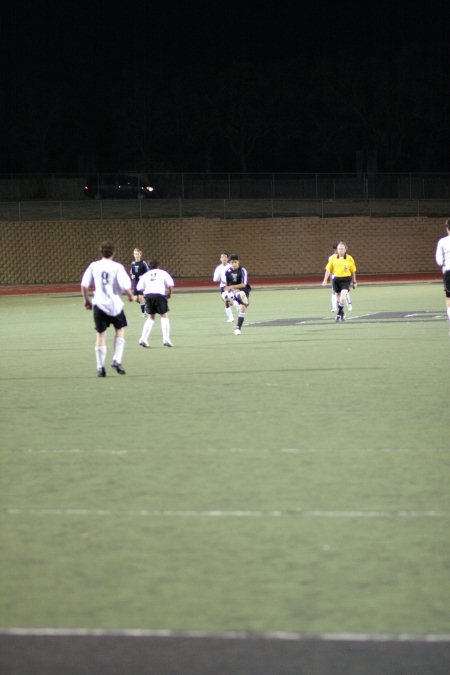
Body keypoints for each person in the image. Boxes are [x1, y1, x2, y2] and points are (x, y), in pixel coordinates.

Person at [81, 241, 134, 377]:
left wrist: (86, 300)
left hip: (99, 304)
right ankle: (116, 360)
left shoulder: (94, 266)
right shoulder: (117, 267)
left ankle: (100, 367)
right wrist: (130, 296)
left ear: (101, 252)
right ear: (113, 252)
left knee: (100, 334)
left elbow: (84, 284)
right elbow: (125, 285)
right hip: (115, 305)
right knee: (120, 330)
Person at [136, 259, 175, 347]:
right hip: (159, 295)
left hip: (148, 296)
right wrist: (169, 293)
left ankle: (143, 338)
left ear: (149, 267)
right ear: (158, 266)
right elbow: (170, 284)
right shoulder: (162, 273)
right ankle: (166, 339)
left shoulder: (145, 275)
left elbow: (139, 287)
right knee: (164, 316)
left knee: (151, 317)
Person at [322, 241, 357, 322]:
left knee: (342, 297)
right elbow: (328, 270)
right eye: (339, 249)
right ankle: (342, 314)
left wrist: (354, 281)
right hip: (336, 279)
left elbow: (353, 270)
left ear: (345, 249)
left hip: (346, 279)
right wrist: (325, 280)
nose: (340, 250)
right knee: (338, 299)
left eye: (342, 249)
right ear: (337, 250)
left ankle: (338, 314)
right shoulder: (332, 258)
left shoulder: (349, 258)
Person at [224, 254, 251, 335]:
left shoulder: (242, 270)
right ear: (230, 263)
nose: (234, 264)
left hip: (244, 290)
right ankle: (238, 300)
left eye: (235, 262)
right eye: (232, 262)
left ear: (238, 262)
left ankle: (238, 328)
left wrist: (233, 287)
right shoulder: (228, 272)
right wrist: (232, 289)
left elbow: (244, 284)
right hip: (234, 291)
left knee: (242, 308)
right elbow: (227, 286)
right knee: (228, 300)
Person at [435, 217, 450, 335]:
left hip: (448, 272)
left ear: (447, 229)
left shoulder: (442, 242)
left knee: (449, 299)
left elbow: (439, 261)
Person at [328, 242, 353, 312]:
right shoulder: (331, 258)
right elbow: (330, 269)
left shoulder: (346, 257)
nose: (337, 251)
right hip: (335, 276)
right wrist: (329, 278)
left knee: (345, 292)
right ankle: (334, 307)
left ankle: (349, 303)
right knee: (334, 292)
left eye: (340, 249)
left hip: (344, 277)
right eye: (336, 249)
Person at [213, 252, 234, 322]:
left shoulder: (231, 267)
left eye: (225, 257)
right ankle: (231, 317)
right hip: (223, 287)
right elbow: (215, 279)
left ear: (227, 259)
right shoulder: (218, 268)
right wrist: (218, 277)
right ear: (220, 259)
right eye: (222, 257)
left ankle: (231, 316)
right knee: (226, 300)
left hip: (231, 286)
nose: (224, 259)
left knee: (227, 299)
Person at [130, 247, 149, 316]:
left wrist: (143, 276)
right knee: (135, 299)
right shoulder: (133, 263)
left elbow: (148, 272)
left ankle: (143, 312)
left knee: (141, 297)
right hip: (135, 282)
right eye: (135, 254)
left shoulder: (143, 263)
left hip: (142, 283)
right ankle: (146, 304)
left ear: (140, 254)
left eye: (137, 254)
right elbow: (131, 272)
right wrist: (132, 275)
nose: (136, 255)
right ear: (133, 254)